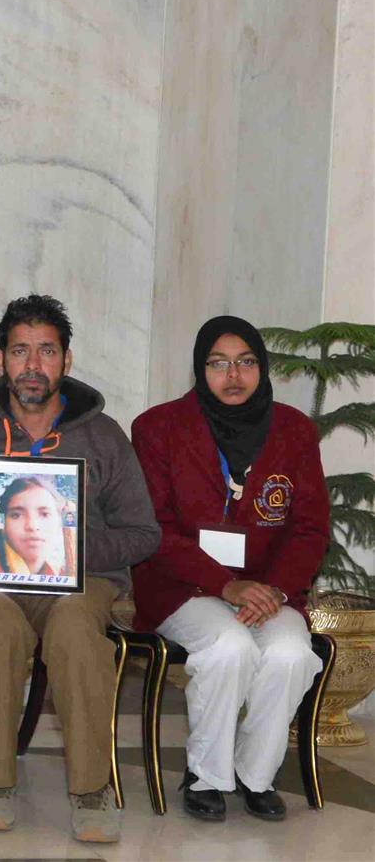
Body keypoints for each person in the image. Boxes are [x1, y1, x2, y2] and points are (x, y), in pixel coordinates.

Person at [0, 294, 159, 842]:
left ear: (67, 360)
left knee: (76, 634)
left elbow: (143, 533)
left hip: (81, 583)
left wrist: (74, 556)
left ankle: (91, 790)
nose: (32, 365)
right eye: (20, 351)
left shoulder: (104, 437)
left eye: (46, 351)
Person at [130, 316, 327, 822]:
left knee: (290, 653)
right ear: (201, 369)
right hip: (184, 588)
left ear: (261, 368)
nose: (233, 375)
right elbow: (156, 529)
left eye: (245, 362)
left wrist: (277, 591)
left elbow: (309, 529)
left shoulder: (294, 431)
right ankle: (206, 776)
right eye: (218, 363)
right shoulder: (157, 428)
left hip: (268, 591)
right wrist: (225, 583)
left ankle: (254, 775)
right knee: (229, 647)